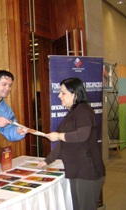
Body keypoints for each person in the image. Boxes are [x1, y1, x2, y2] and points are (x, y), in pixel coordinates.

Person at [37, 77, 105, 210]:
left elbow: (82, 135)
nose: (59, 95)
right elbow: (63, 143)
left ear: (75, 94)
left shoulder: (83, 110)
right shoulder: (72, 113)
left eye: (63, 93)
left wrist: (58, 135)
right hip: (76, 171)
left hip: (88, 173)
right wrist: (47, 161)